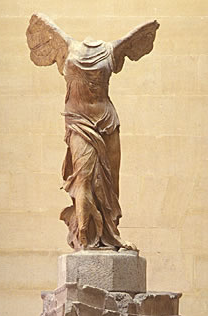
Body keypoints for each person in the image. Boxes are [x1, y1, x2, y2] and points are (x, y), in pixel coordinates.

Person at [26, 13, 159, 250]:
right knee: (83, 179)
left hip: (107, 121)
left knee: (110, 182)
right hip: (79, 121)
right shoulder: (66, 46)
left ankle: (110, 233)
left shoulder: (110, 51)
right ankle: (85, 239)